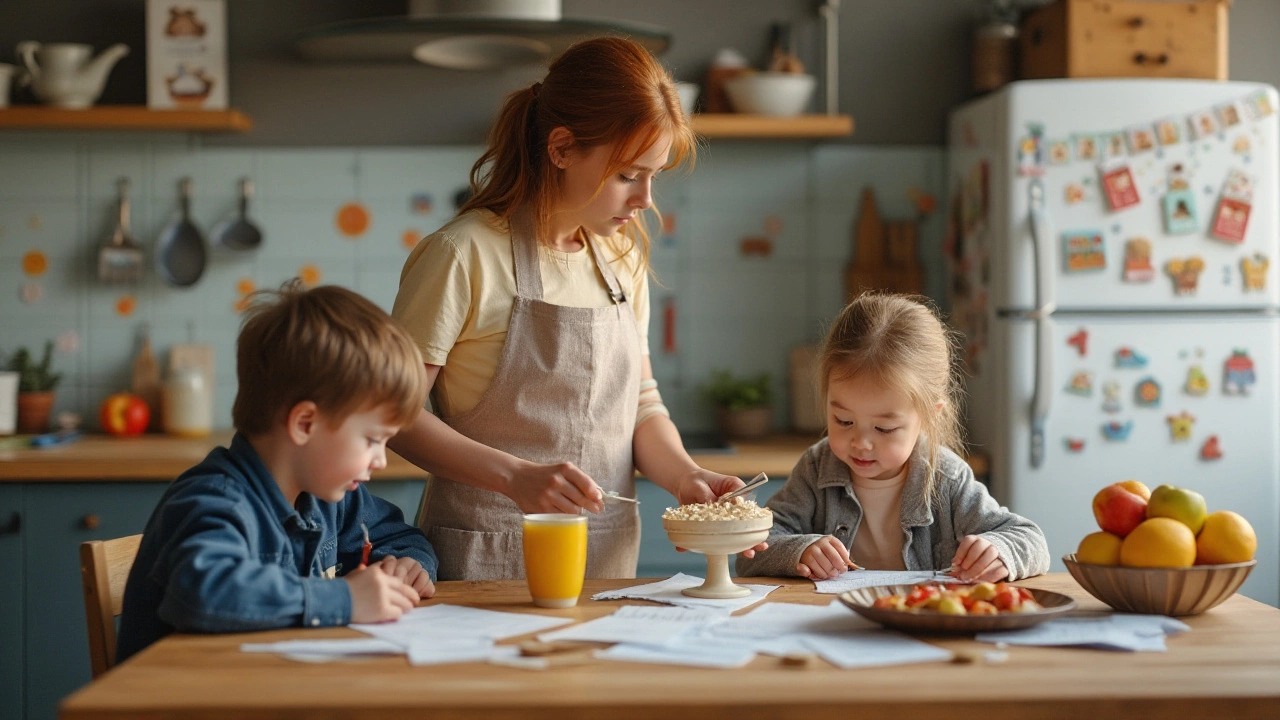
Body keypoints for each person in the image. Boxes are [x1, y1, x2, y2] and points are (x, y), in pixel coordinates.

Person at [389, 36, 760, 580]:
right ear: (561, 148)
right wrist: (514, 477)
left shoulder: (621, 260)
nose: (645, 200)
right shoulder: (461, 255)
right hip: (485, 555)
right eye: (628, 175)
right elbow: (393, 414)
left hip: (606, 559)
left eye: (653, 176)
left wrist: (685, 477)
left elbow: (641, 403)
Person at [117, 282, 438, 663]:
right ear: (304, 423)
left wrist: (408, 565)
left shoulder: (330, 497)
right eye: (371, 439)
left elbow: (401, 536)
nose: (380, 460)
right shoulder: (214, 499)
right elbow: (203, 590)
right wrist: (346, 599)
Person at [737, 293, 1049, 582]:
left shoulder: (947, 478)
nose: (861, 442)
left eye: (884, 429)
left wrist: (999, 552)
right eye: (843, 420)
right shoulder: (817, 468)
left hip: (921, 627)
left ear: (930, 414)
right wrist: (799, 550)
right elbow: (752, 550)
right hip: (833, 625)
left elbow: (1031, 540)